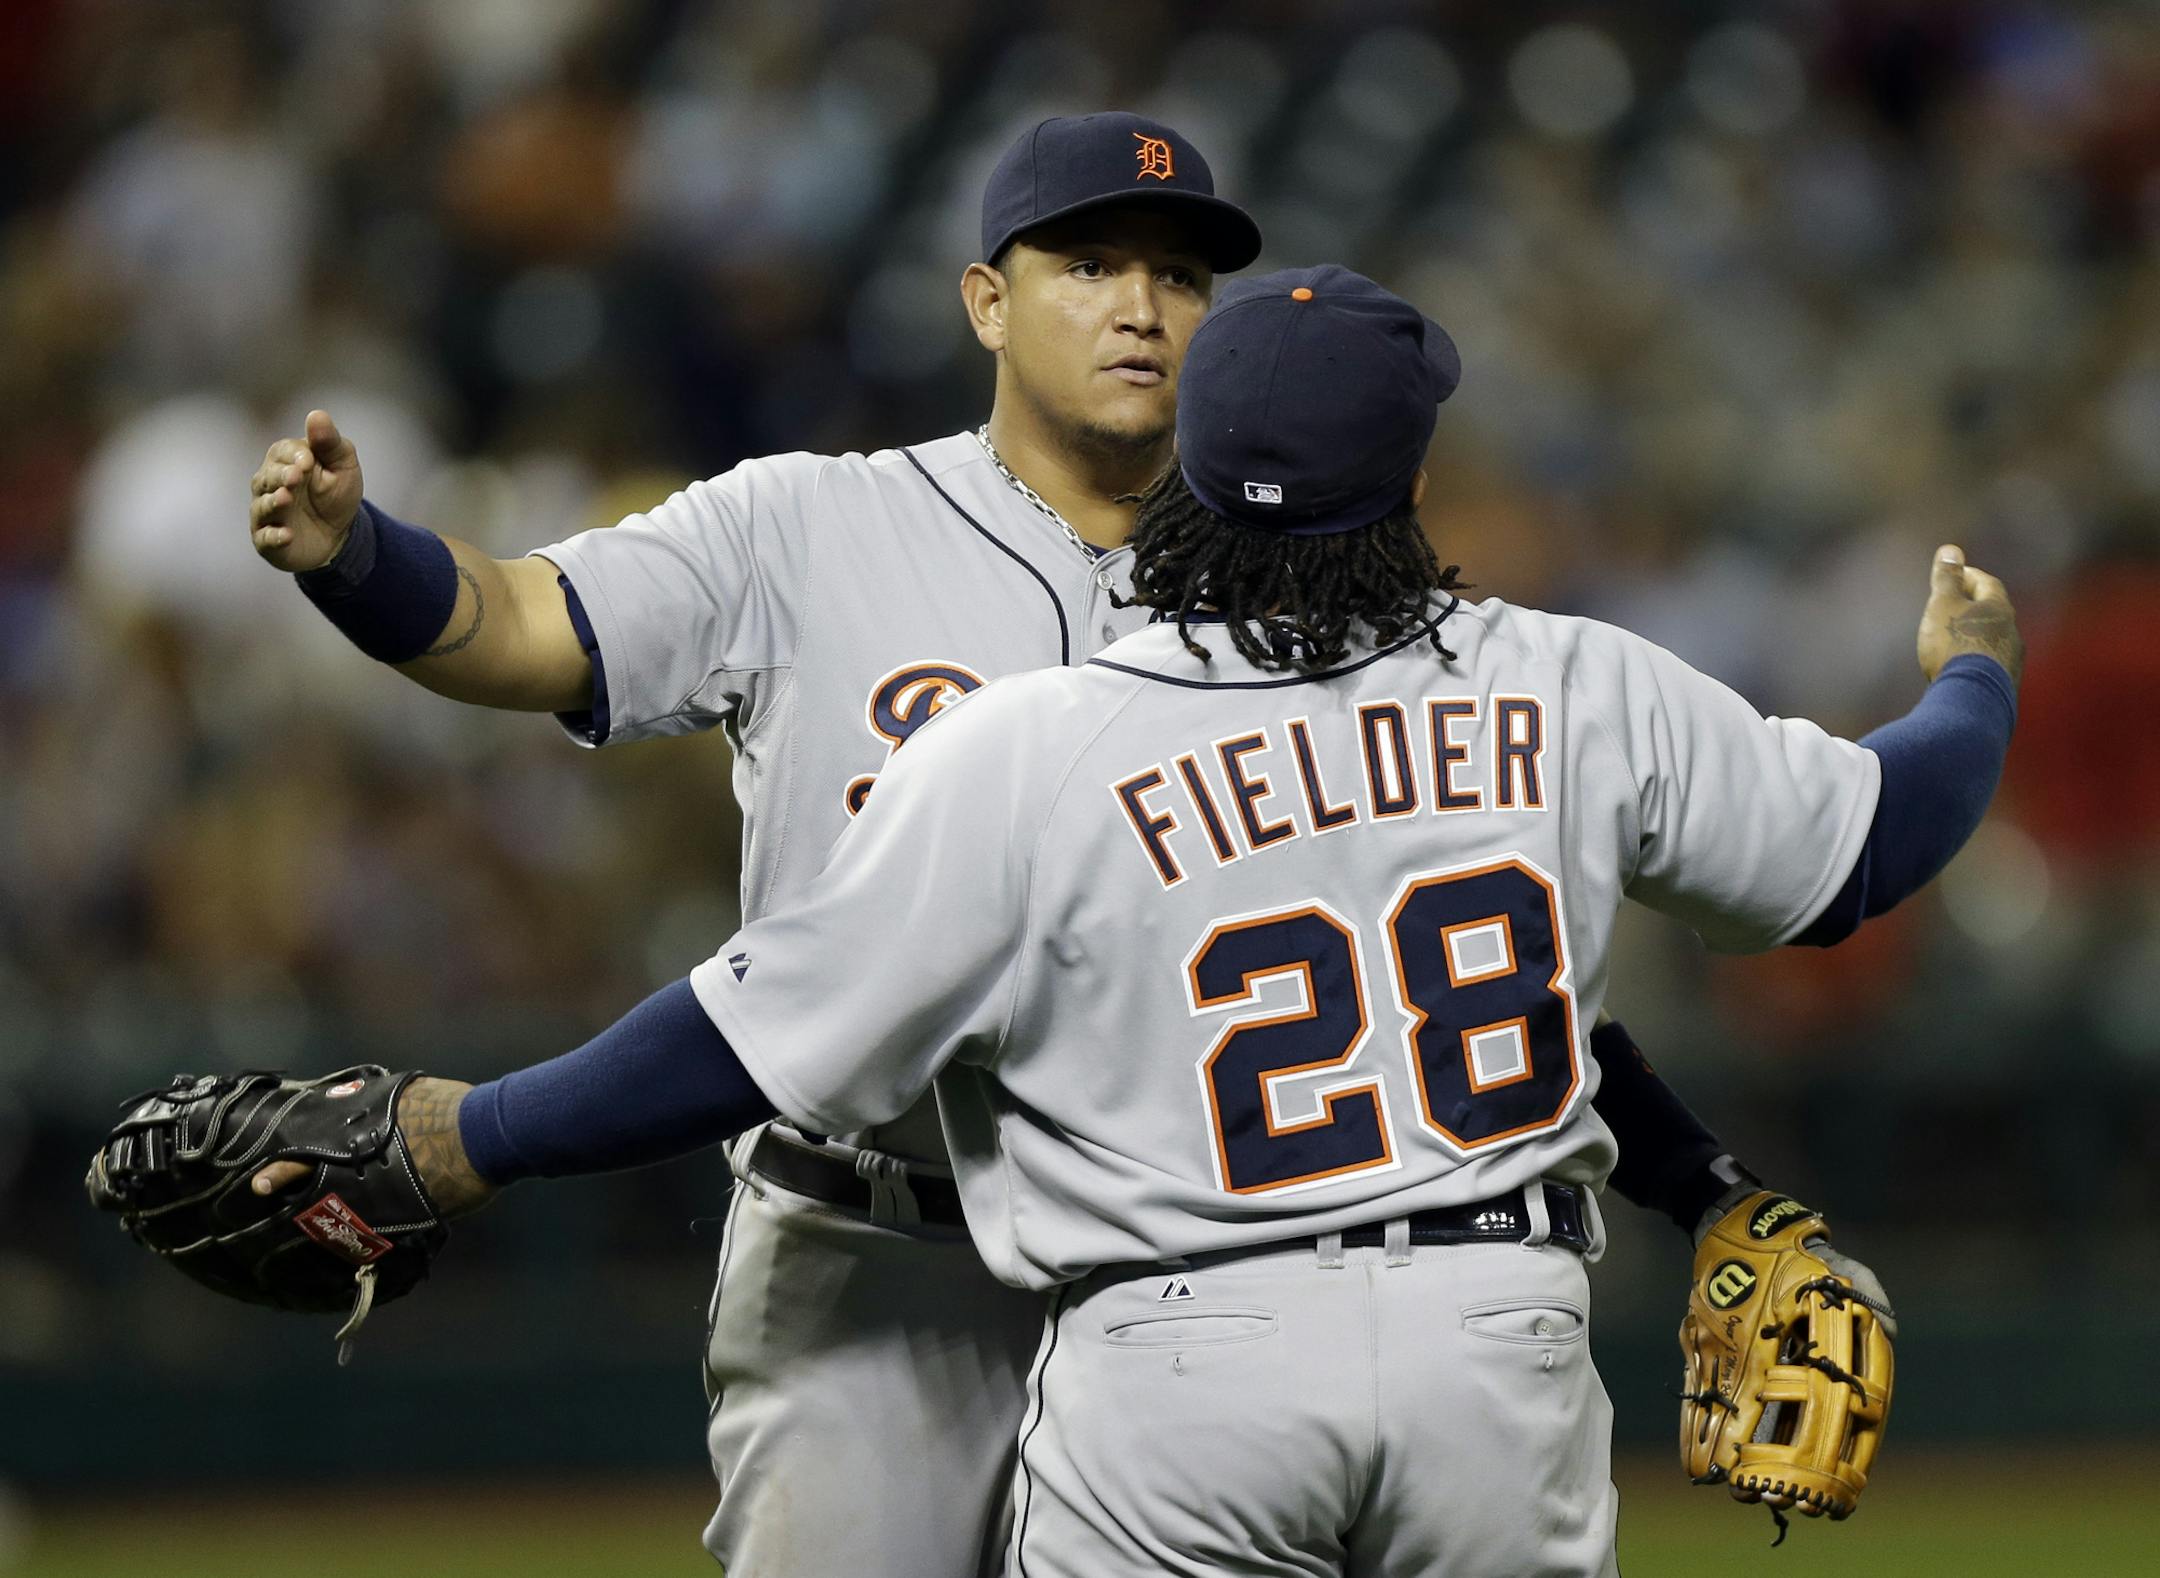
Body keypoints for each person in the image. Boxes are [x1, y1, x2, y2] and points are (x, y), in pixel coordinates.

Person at [246, 121, 1936, 1572]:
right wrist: (358, 559)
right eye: (1088, 262)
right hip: (879, 1253)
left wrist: (1696, 1177)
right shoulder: (811, 522)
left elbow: (1447, 963)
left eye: (1181, 275)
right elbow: (529, 623)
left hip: (1192, 1263)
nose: (1141, 305)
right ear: (987, 298)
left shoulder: (1317, 594)